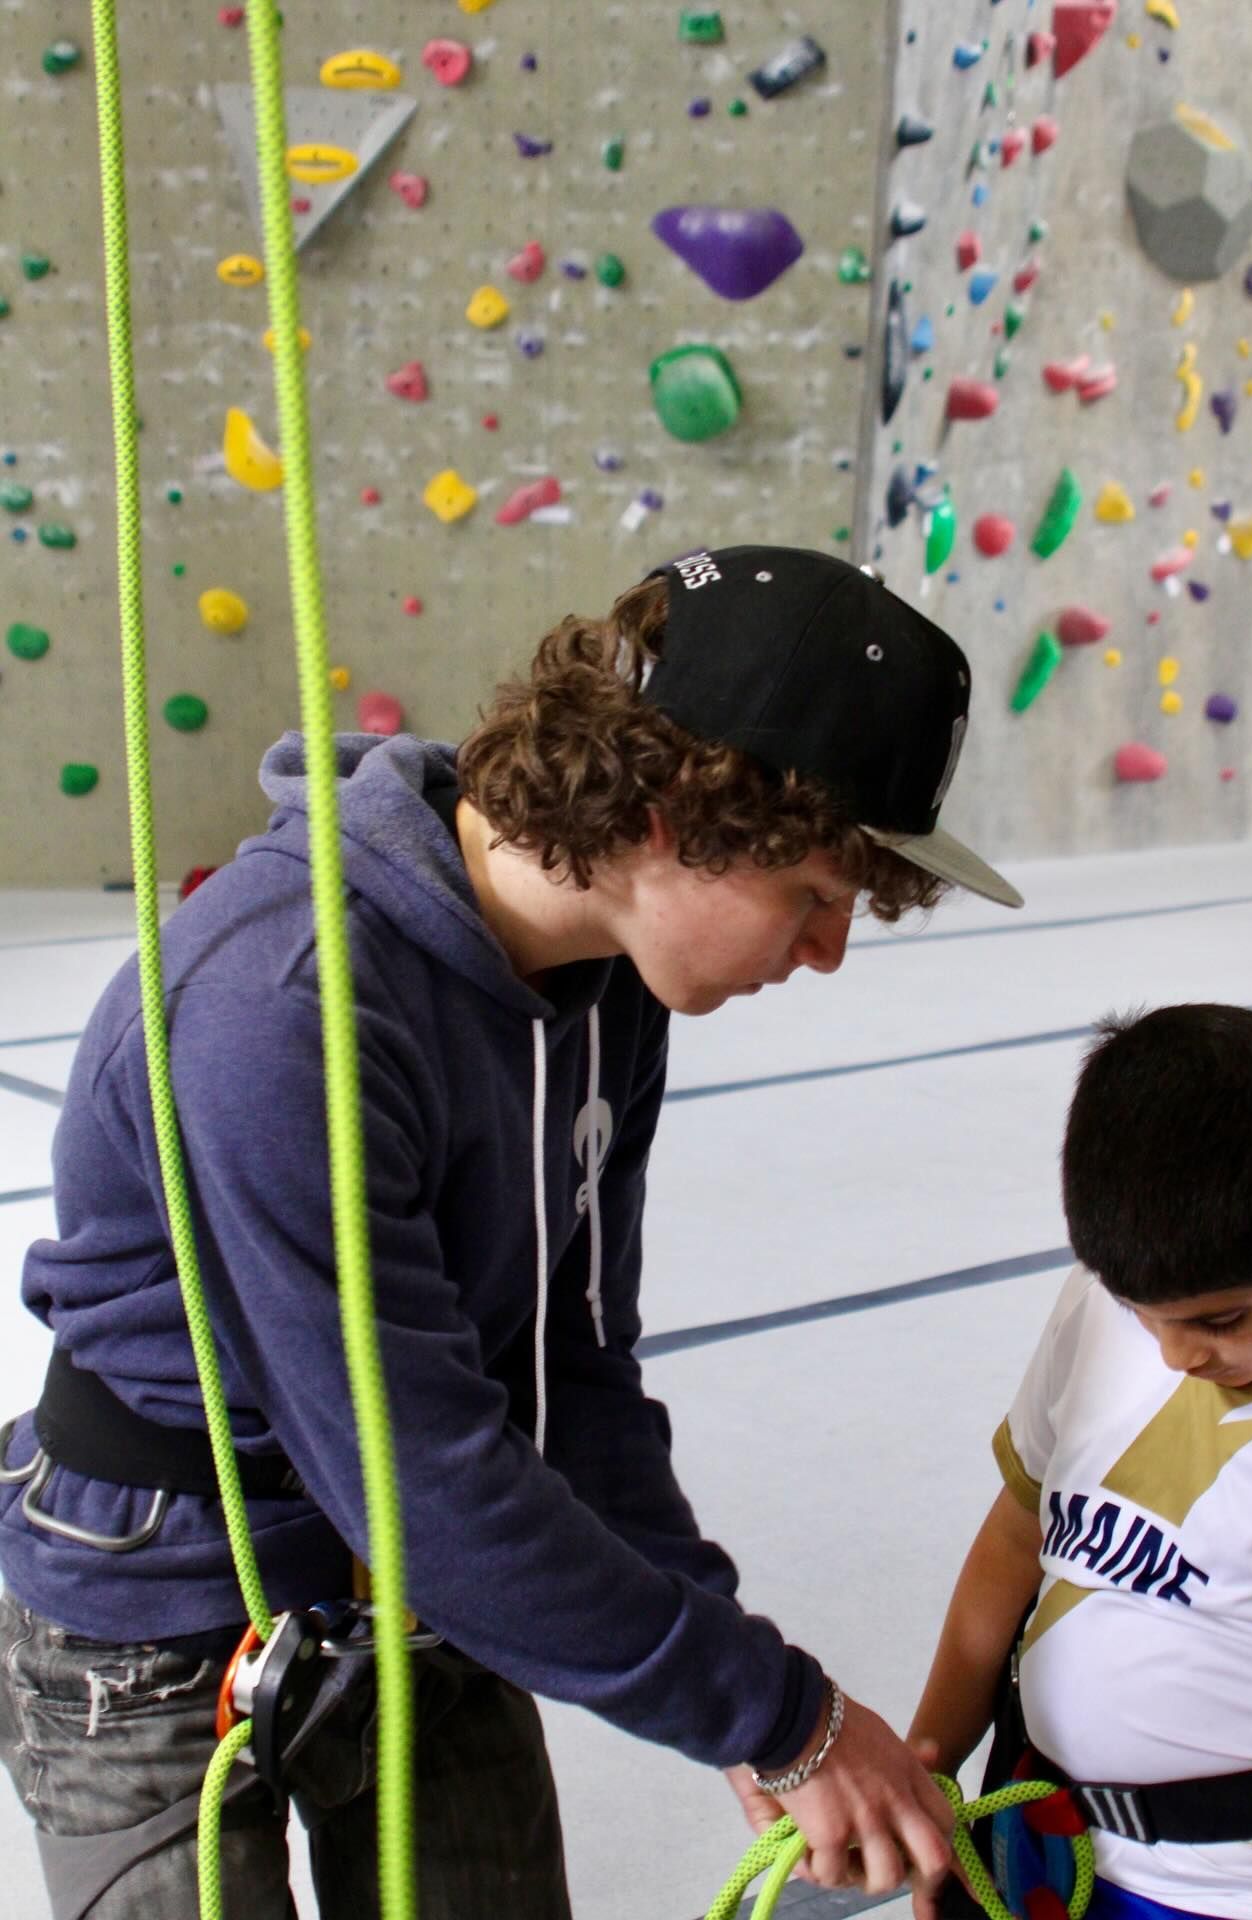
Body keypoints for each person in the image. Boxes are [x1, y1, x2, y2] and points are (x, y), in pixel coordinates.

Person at [0, 545, 1022, 1920]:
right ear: (674, 812)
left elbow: (575, 1370)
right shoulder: (281, 1006)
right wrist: (778, 1713)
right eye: (816, 896)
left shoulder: (613, 986)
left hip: (427, 1559)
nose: (828, 950)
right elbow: (418, 1471)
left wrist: (729, 1669)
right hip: (164, 1599)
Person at [909, 1004, 1252, 1920]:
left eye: (1220, 1320)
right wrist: (932, 1772)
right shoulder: (1111, 1298)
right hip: (1045, 1841)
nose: (1173, 1355)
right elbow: (1012, 1536)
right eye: (1141, 1312)